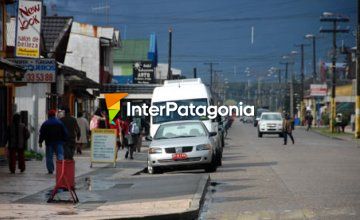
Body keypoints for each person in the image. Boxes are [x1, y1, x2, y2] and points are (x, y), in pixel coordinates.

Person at [39, 110, 68, 174]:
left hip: (49, 143)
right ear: (54, 115)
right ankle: (61, 168)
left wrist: (40, 142)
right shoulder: (60, 123)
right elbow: (65, 132)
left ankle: (50, 170)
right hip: (59, 142)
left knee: (49, 157)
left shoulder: (45, 123)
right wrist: (65, 140)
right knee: (60, 155)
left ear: (48, 115)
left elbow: (42, 134)